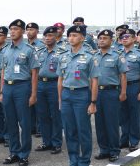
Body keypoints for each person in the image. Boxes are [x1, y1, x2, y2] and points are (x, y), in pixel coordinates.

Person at [57, 25, 100, 166]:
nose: (71, 38)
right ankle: (73, 160)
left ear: (82, 38)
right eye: (69, 35)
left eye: (75, 35)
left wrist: (93, 102)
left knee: (83, 130)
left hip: (82, 95)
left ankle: (84, 160)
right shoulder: (63, 56)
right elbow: (60, 79)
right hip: (66, 95)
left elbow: (94, 80)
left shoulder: (89, 57)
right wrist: (60, 99)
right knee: (69, 131)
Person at [0, 19, 40, 166]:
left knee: (25, 123)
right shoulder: (6, 49)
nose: (12, 32)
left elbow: (34, 73)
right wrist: (2, 91)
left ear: (22, 31)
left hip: (22, 87)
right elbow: (3, 71)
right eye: (11, 29)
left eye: (16, 29)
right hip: (8, 88)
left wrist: (34, 94)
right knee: (10, 122)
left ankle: (24, 154)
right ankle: (14, 152)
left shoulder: (29, 50)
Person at [93, 29, 127, 162]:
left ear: (111, 41)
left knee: (111, 123)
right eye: (100, 38)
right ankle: (104, 150)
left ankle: (114, 150)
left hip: (111, 92)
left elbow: (123, 76)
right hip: (97, 93)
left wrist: (123, 92)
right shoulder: (94, 56)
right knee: (99, 123)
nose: (101, 40)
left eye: (105, 38)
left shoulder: (118, 56)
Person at [34, 26, 65, 155]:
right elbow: (35, 71)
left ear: (56, 37)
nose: (47, 38)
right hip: (41, 84)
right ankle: (46, 142)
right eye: (46, 36)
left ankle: (57, 143)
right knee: (43, 115)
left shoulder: (62, 52)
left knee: (55, 115)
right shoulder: (40, 52)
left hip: (54, 84)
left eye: (51, 36)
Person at [119, 28, 140, 152]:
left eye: (128, 36)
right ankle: (124, 139)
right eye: (123, 37)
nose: (125, 39)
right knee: (122, 115)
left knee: (134, 114)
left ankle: (134, 140)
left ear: (134, 39)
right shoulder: (117, 54)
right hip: (121, 87)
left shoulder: (139, 55)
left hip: (134, 86)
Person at [25, 22, 45, 137]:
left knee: (38, 105)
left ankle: (40, 128)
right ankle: (31, 127)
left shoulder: (42, 45)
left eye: (32, 29)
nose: (29, 31)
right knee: (28, 105)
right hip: (26, 78)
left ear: (37, 31)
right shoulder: (24, 45)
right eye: (27, 29)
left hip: (37, 77)